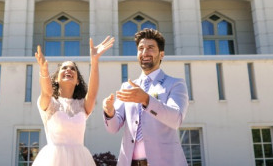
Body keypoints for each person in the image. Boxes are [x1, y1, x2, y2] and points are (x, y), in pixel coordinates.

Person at [103, 28, 189, 166]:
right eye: (141, 48)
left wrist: (146, 100)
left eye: (150, 48)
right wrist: (109, 112)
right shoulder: (127, 87)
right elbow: (113, 128)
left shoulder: (175, 84)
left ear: (161, 54)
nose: (144, 52)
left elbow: (176, 119)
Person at [32, 36, 115, 166]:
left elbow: (92, 94)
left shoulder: (82, 105)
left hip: (81, 160)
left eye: (72, 68)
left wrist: (94, 60)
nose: (68, 70)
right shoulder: (50, 103)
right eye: (64, 68)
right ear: (56, 79)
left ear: (77, 81)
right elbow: (47, 92)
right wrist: (43, 70)